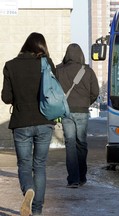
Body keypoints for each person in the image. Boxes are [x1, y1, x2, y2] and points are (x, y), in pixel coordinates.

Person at [1, 32, 56, 216]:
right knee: (39, 165)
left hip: (21, 122)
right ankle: (37, 211)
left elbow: (6, 98)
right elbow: (55, 91)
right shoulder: (46, 64)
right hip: (44, 121)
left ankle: (28, 189)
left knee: (24, 165)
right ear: (40, 47)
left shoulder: (10, 66)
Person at [56, 43, 99, 188]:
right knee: (81, 143)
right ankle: (82, 177)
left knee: (70, 144)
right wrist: (86, 102)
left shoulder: (59, 70)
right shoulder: (88, 71)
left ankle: (73, 179)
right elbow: (95, 92)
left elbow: (53, 90)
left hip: (66, 111)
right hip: (82, 111)